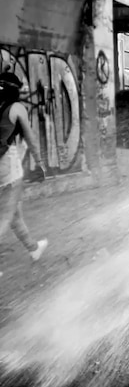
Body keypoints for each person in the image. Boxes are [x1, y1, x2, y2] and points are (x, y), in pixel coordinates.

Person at [0, 72, 48, 260]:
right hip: (7, 172)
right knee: (6, 217)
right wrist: (40, 163)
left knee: (14, 215)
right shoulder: (16, 108)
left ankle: (33, 249)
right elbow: (30, 138)